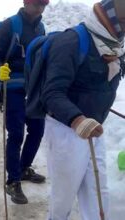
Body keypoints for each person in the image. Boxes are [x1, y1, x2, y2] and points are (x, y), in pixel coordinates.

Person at [41, 0, 125, 218]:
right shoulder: (71, 42)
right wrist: (78, 120)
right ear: (114, 19)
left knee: (98, 193)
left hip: (94, 129)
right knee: (63, 198)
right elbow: (51, 93)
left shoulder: (115, 45)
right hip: (65, 130)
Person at [0, 0, 49, 204]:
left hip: (33, 89)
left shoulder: (41, 28)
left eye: (44, 4)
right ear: (26, 2)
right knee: (16, 134)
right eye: (38, 3)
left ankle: (23, 168)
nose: (40, 7)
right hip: (12, 87)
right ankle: (12, 181)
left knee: (37, 130)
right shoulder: (10, 25)